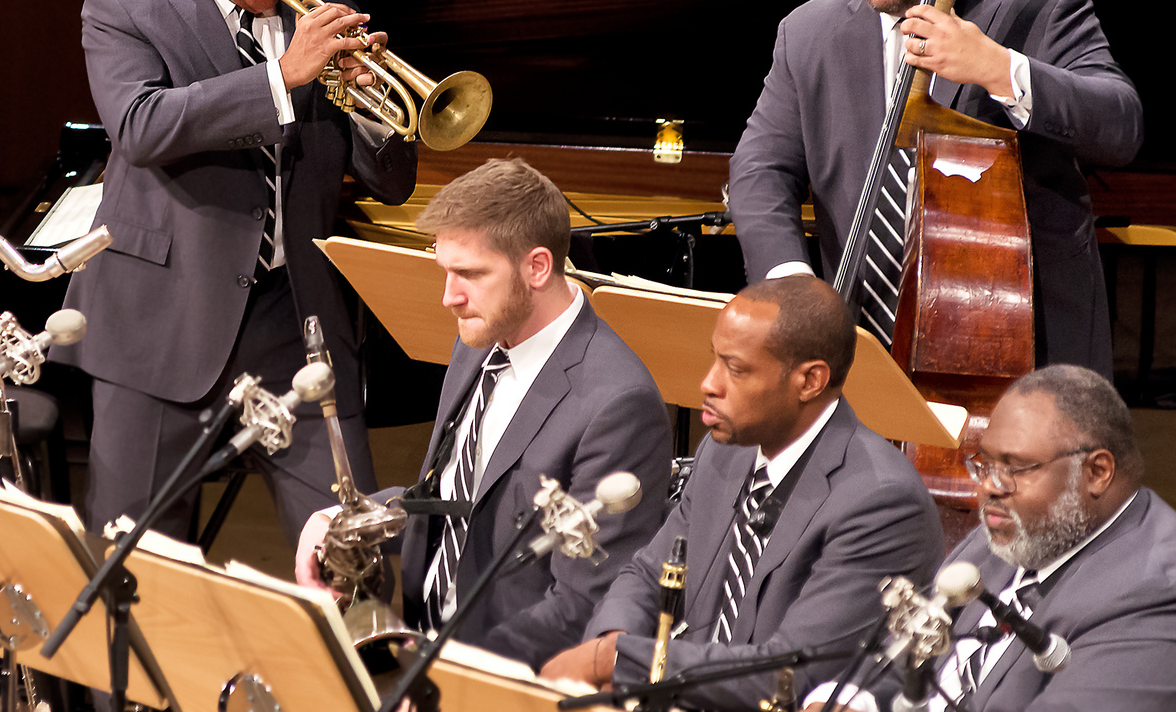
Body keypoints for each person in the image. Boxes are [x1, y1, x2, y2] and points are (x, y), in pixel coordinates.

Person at [57, 0, 418, 543]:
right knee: (136, 558)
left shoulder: (317, 12)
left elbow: (391, 183)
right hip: (162, 322)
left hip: (296, 322)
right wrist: (283, 76)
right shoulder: (123, 7)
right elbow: (141, 127)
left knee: (358, 548)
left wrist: (372, 104)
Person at [728, 0, 1142, 376]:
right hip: (860, 346)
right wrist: (790, 282)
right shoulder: (808, 32)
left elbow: (1121, 126)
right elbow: (759, 169)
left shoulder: (1043, 6)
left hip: (1025, 353)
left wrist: (998, 67)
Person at [293, 158, 670, 670]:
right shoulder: (481, 341)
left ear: (537, 267)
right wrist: (342, 519)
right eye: (443, 270)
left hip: (504, 677)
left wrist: (451, 676)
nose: (449, 297)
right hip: (423, 649)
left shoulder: (618, 403)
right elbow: (447, 498)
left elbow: (584, 605)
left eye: (469, 273)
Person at [540, 276, 941, 712]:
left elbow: (790, 671)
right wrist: (610, 639)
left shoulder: (881, 503)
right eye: (714, 359)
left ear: (809, 381)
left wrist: (615, 659)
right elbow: (647, 575)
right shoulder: (725, 452)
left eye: (735, 369)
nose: (708, 384)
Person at [806, 365, 1176, 711]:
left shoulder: (1153, 592)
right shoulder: (1019, 532)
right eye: (985, 464)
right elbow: (907, 654)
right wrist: (852, 700)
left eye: (1015, 468)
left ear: (1097, 472)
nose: (988, 486)